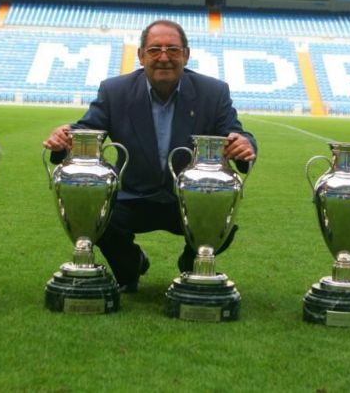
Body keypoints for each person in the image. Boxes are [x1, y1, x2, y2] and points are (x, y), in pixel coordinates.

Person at [43, 19, 257, 292]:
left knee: (221, 224)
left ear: (186, 55)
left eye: (173, 50)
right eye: (155, 50)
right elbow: (87, 128)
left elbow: (236, 134)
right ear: (141, 55)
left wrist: (244, 146)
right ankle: (131, 267)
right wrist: (64, 138)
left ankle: (192, 265)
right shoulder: (114, 91)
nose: (164, 58)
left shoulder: (213, 92)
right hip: (133, 197)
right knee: (96, 217)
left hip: (189, 199)